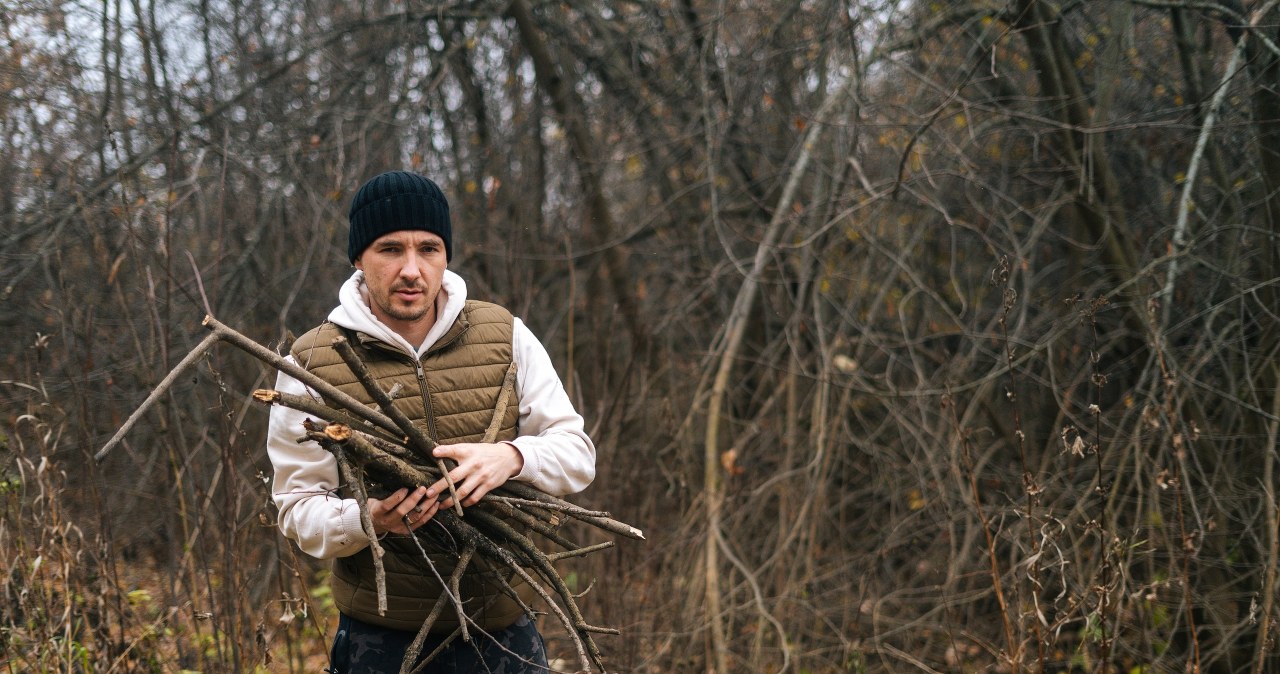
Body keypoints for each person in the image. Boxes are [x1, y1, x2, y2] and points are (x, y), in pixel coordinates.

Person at [265, 170, 596, 673]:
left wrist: (512, 457)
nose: (412, 270)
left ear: (447, 255)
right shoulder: (310, 363)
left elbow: (576, 453)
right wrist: (367, 521)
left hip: (504, 636)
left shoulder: (505, 335)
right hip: (380, 645)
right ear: (359, 258)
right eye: (390, 249)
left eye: (429, 248)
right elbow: (296, 508)